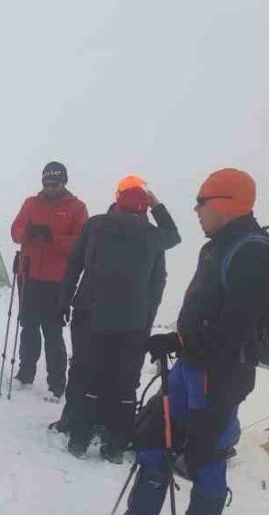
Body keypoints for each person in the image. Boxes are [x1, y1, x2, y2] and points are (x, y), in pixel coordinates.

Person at [82, 168, 269, 515]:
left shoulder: (252, 252)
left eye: (201, 202)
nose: (196, 210)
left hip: (220, 377)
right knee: (155, 437)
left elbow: (238, 328)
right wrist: (177, 342)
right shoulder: (220, 246)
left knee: (206, 455)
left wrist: (185, 343)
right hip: (192, 369)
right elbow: (212, 315)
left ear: (225, 203)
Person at [58, 175, 181, 462]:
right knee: (124, 382)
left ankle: (79, 439)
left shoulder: (96, 225)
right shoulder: (152, 236)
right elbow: (173, 237)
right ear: (144, 207)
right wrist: (159, 206)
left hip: (93, 316)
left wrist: (64, 302)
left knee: (90, 374)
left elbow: (74, 265)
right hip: (133, 323)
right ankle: (115, 444)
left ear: (117, 201)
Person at [9, 161, 88, 400]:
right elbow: (15, 231)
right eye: (46, 183)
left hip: (57, 280)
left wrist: (54, 239)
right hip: (29, 274)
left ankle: (56, 385)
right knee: (28, 326)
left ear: (64, 182)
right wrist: (29, 233)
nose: (50, 188)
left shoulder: (77, 207)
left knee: (53, 332)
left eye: (55, 183)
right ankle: (25, 374)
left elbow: (82, 242)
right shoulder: (31, 203)